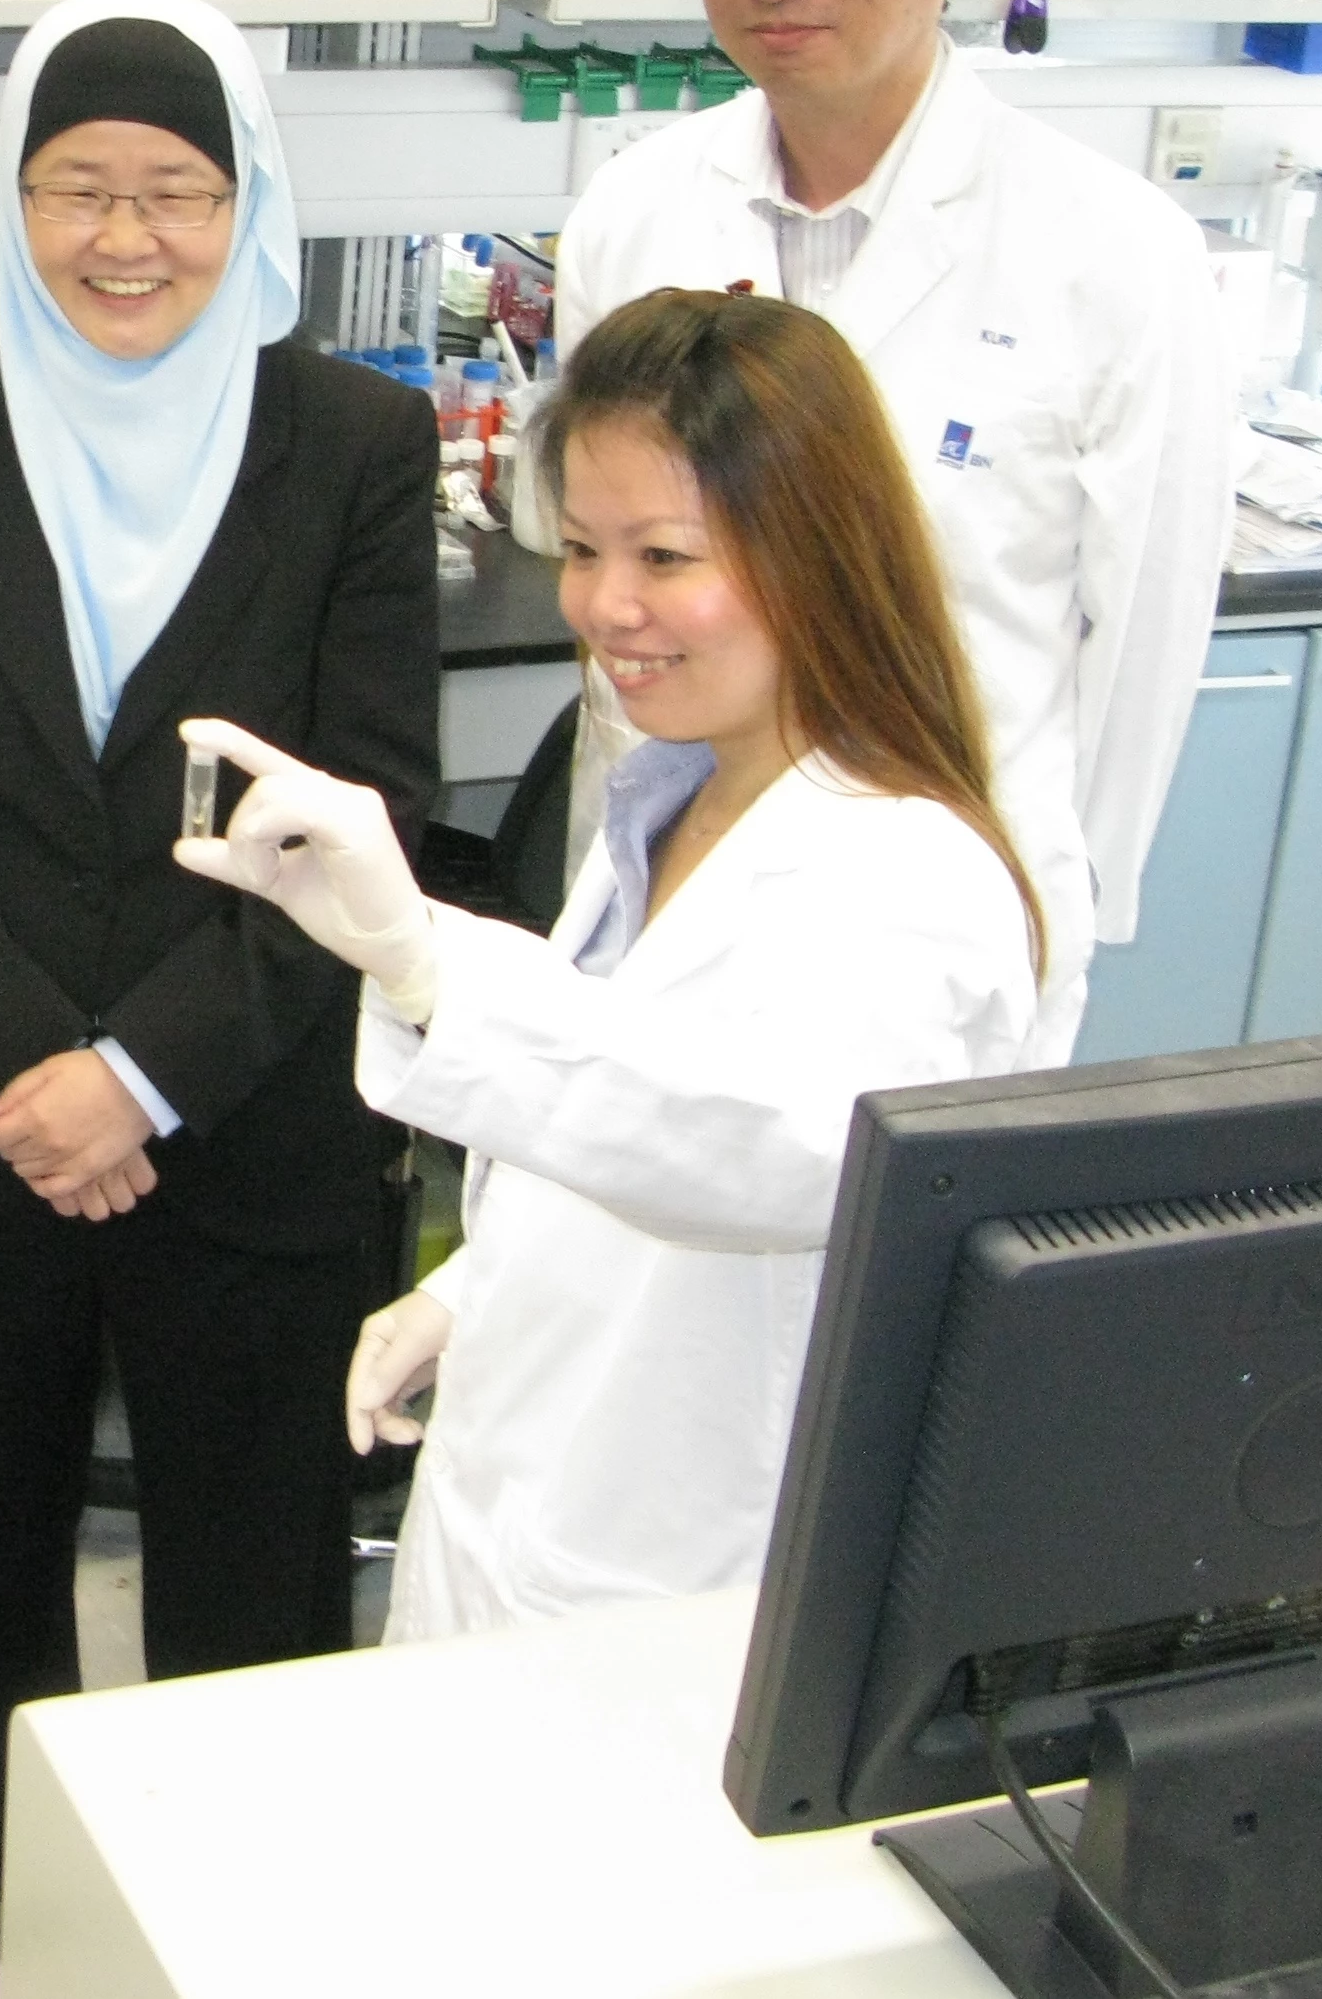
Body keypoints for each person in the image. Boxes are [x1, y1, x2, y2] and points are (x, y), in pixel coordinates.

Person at [0, 0, 443, 1916]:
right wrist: (36, 1074)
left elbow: (369, 804)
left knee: (252, 1554)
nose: (121, 238)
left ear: (245, 205)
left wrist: (143, 1074)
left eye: (173, 190)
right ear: (11, 200)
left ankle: (236, 1918)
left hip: (249, 1110)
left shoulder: (353, 441)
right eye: (74, 188)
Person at [178, 288, 1040, 1643]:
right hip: (523, 1490)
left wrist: (426, 967)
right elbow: (609, 1117)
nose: (606, 606)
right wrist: (468, 1287)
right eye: (581, 548)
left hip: (684, 1569)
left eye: (665, 553)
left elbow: (778, 1152)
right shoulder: (672, 793)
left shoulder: (910, 878)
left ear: (816, 552)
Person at [559, 0, 1235, 1066]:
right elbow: (615, 613)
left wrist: (1057, 916)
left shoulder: (1114, 258)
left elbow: (1139, 656)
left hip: (943, 947)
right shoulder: (630, 216)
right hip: (673, 902)